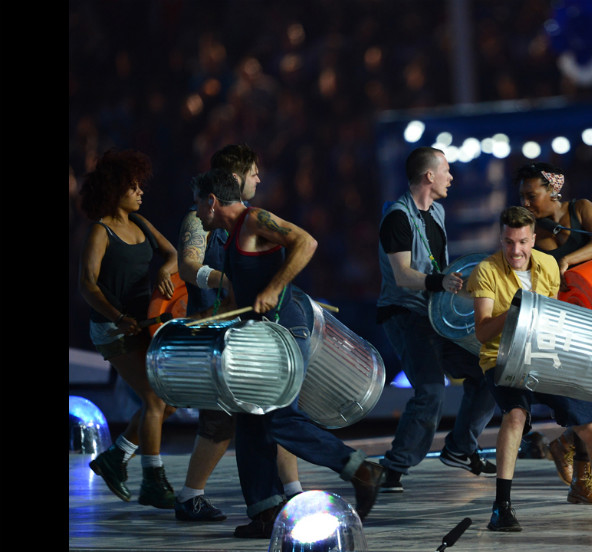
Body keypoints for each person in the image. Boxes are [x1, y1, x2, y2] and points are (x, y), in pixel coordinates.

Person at [191, 168, 385, 538]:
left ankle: (360, 468)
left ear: (212, 201)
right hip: (262, 336)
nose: (196, 212)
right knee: (249, 418)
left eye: (198, 204)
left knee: (279, 418)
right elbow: (240, 296)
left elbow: (307, 242)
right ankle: (265, 511)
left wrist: (276, 287)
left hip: (286, 329)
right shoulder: (229, 236)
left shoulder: (254, 220)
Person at [469, 206, 592, 531]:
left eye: (522, 242)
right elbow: (483, 332)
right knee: (515, 416)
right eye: (509, 242)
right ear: (501, 239)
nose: (516, 250)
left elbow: (554, 321)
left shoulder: (547, 265)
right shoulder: (486, 270)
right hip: (501, 358)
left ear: (533, 239)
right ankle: (502, 507)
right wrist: (517, 308)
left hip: (546, 354)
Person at [172, 144, 303, 522]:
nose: (259, 178)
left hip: (244, 332)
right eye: (253, 172)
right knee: (219, 420)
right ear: (234, 180)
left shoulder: (249, 221)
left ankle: (292, 492)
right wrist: (223, 280)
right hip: (217, 330)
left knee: (273, 405)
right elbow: (187, 265)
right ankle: (189, 495)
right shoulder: (199, 218)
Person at [375, 146, 497, 493]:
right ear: (429, 176)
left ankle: (460, 448)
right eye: (446, 171)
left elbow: (437, 266)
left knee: (489, 372)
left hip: (433, 313)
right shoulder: (397, 217)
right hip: (405, 314)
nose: (451, 177)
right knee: (429, 391)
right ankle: (394, 468)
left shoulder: (437, 211)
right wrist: (439, 282)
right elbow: (402, 275)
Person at [515, 162, 592, 505]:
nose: (527, 202)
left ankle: (565, 442)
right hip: (565, 324)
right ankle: (582, 479)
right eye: (523, 196)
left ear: (553, 191)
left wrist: (566, 261)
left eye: (532, 196)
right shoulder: (530, 228)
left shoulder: (581, 208)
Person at [79, 149, 180, 509]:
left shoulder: (141, 225)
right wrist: (118, 316)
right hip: (113, 329)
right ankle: (153, 480)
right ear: (116, 189)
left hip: (144, 323)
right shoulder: (100, 231)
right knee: (155, 399)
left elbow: (171, 254)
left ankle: (115, 458)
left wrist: (166, 270)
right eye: (134, 186)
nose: (141, 192)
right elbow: (87, 285)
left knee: (167, 403)